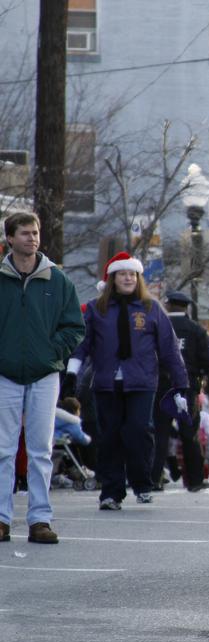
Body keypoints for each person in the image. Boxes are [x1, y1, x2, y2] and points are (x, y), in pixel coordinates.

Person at [67, 252, 188, 510]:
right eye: (123, 274)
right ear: (112, 278)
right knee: (109, 436)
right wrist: (71, 373)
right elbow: (82, 344)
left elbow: (169, 349)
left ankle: (143, 483)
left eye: (132, 274)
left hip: (141, 382)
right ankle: (111, 492)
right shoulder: (96, 309)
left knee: (138, 431)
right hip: (107, 383)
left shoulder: (151, 308)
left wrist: (181, 385)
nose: (128, 278)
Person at [0, 212, 85, 544]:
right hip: (5, 373)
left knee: (40, 450)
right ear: (9, 238)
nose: (32, 238)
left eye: (35, 233)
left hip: (45, 374)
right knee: (4, 449)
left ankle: (40, 519)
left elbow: (74, 327)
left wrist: (53, 353)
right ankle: (2, 518)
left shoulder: (57, 280)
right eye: (24, 233)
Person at [151, 291, 209, 492]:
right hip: (188, 388)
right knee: (189, 434)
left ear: (167, 305)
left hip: (160, 385)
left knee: (159, 434)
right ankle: (194, 480)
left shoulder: (157, 327)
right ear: (186, 307)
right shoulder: (195, 330)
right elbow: (207, 360)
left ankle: (154, 478)